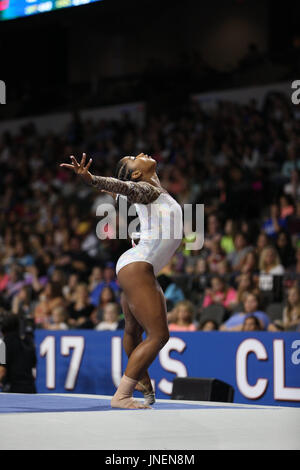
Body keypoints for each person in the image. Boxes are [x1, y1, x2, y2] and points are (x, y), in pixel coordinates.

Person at [60, 152, 182, 409]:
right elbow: (122, 186)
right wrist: (92, 178)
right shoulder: (147, 190)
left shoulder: (150, 192)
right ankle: (123, 395)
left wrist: (99, 183)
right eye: (133, 158)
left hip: (137, 266)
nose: (141, 154)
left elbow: (121, 192)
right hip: (138, 266)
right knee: (159, 335)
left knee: (133, 331)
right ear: (137, 174)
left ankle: (143, 381)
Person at [0, 314, 36, 393]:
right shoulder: (28, 342)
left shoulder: (4, 344)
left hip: (13, 390)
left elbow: (2, 370)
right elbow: (33, 365)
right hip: (30, 389)